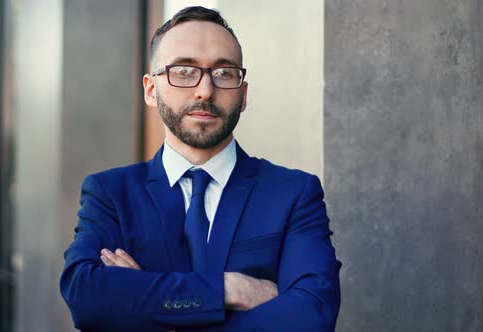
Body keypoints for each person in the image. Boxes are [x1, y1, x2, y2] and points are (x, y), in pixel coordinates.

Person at [61, 6, 341, 332]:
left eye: (224, 73)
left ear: (243, 94)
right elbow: (87, 298)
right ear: (152, 89)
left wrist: (145, 303)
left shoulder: (293, 193)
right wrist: (229, 289)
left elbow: (313, 315)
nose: (205, 90)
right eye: (183, 70)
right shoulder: (111, 194)